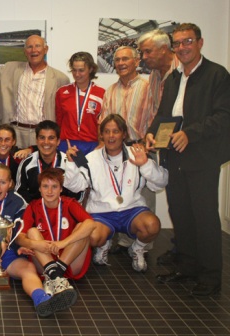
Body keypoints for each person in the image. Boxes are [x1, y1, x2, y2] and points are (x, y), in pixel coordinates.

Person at [146, 23, 230, 296]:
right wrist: (151, 135)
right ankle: (187, 267)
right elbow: (162, 116)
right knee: (181, 213)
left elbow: (223, 116)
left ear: (200, 42)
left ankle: (209, 277)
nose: (182, 47)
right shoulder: (172, 79)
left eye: (187, 41)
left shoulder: (217, 75)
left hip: (201, 156)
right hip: (174, 157)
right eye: (178, 43)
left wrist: (190, 134)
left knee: (204, 217)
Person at [0, 164, 77, 317]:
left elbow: (22, 231)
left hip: (10, 253)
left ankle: (42, 300)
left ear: (10, 183)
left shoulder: (18, 202)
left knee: (28, 269)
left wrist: (19, 245)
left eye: (3, 182)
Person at [64, 114, 168, 272]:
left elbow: (161, 183)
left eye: (115, 131)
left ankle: (137, 248)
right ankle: (104, 243)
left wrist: (145, 164)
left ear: (124, 134)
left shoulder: (137, 154)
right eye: (107, 131)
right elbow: (75, 186)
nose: (111, 136)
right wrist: (70, 164)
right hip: (102, 213)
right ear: (102, 135)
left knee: (152, 225)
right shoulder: (91, 158)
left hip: (131, 211)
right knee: (91, 236)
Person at [0, 28, 70, 148]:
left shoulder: (60, 78)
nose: (34, 50)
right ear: (25, 51)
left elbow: (64, 113)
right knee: (13, 167)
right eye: (29, 47)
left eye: (37, 46)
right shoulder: (9, 69)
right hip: (14, 133)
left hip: (43, 136)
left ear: (45, 49)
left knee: (40, 167)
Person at [99, 46, 152, 254]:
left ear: (136, 61)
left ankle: (143, 244)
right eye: (117, 60)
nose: (120, 63)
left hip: (139, 147)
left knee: (142, 194)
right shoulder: (111, 90)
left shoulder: (148, 86)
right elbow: (103, 120)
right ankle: (123, 238)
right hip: (116, 150)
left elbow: (156, 116)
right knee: (119, 192)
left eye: (125, 59)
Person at [16, 168, 94, 301]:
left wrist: (63, 243)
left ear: (61, 189)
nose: (50, 191)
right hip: (45, 262)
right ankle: (56, 277)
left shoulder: (69, 204)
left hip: (70, 260)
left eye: (54, 186)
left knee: (83, 227)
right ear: (40, 189)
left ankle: (55, 276)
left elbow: (91, 224)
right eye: (45, 186)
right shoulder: (33, 207)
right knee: (32, 232)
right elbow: (19, 238)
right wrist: (36, 244)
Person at [136, 29, 180, 263]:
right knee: (172, 196)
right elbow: (151, 112)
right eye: (143, 52)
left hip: (181, 145)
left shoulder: (181, 73)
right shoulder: (154, 74)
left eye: (148, 51)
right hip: (157, 144)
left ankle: (184, 250)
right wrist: (147, 137)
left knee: (182, 198)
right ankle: (179, 249)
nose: (144, 57)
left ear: (164, 49)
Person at [15, 120, 81, 203]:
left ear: (58, 141)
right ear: (36, 140)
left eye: (51, 138)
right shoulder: (27, 163)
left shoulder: (70, 162)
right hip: (35, 211)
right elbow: (20, 193)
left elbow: (78, 194)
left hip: (62, 212)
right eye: (42, 138)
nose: (46, 142)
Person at [56, 52, 105, 155]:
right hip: (67, 144)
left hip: (91, 146)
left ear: (91, 69)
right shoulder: (62, 92)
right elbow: (58, 121)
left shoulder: (102, 93)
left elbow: (103, 123)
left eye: (81, 70)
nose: (77, 74)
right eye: (74, 70)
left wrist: (102, 142)